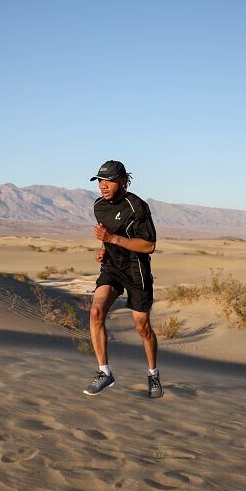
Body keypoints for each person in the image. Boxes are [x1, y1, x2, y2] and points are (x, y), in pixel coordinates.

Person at [83, 160, 163, 398]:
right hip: (112, 268)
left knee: (142, 326)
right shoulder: (98, 206)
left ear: (122, 181)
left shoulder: (137, 206)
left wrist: (112, 239)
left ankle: (153, 374)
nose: (103, 186)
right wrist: (104, 248)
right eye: (100, 181)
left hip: (136, 270)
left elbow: (149, 245)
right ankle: (104, 372)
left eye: (108, 181)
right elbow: (106, 235)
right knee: (96, 312)